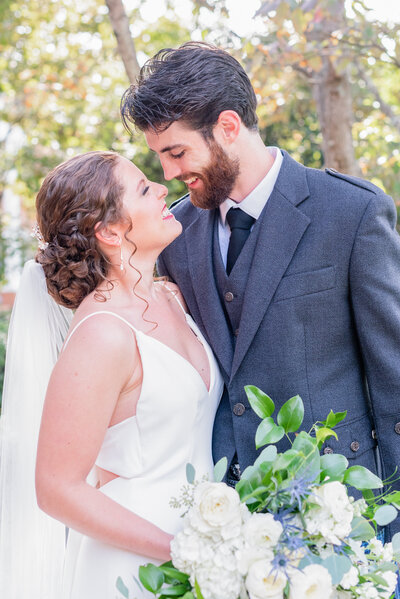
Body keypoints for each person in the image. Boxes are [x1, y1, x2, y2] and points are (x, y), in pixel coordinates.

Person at [120, 42, 400, 542]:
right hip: (218, 522)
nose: (167, 173)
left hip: (340, 517)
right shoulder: (175, 234)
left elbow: (394, 377)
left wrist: (393, 528)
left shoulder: (351, 213)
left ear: (228, 127)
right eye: (159, 157)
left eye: (176, 152)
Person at [0, 150, 223, 599]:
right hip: (135, 565)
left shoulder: (173, 296)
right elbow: (56, 489)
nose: (163, 187)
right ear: (110, 232)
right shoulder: (101, 335)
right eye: (143, 188)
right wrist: (177, 550)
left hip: (205, 548)